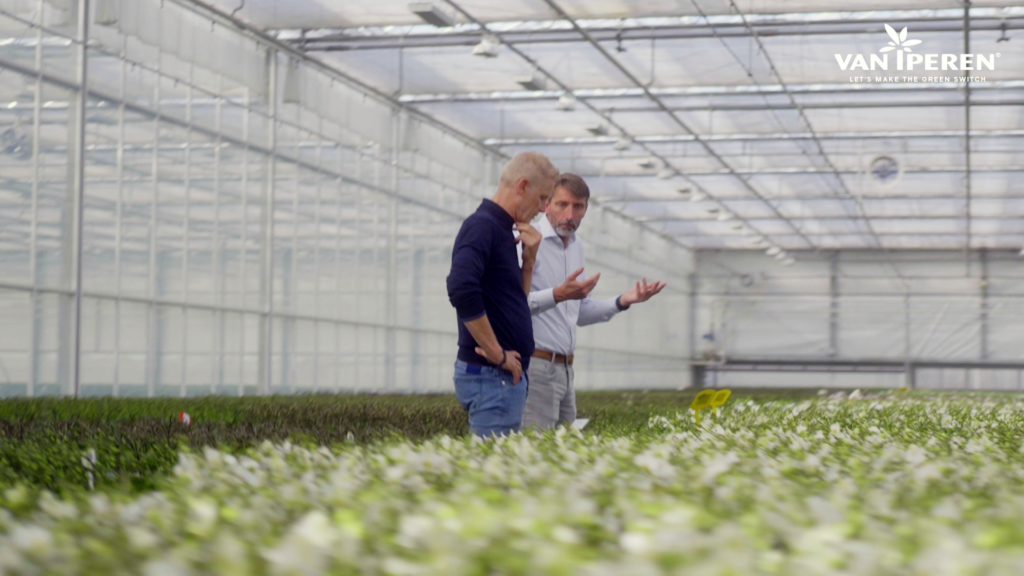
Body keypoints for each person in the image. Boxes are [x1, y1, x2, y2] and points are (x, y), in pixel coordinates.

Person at [523, 173, 667, 430]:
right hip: (536, 366)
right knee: (535, 451)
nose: (570, 215)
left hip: (566, 369)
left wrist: (623, 301)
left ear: (586, 209)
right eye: (562, 205)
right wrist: (558, 294)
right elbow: (514, 304)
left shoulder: (576, 247)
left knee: (564, 452)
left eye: (578, 207)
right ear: (547, 205)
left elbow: (579, 313)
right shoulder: (528, 241)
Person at [446, 152, 557, 437]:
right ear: (521, 186)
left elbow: (510, 305)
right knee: (492, 475)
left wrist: (528, 264)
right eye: (544, 198)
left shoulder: (504, 230)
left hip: (500, 379)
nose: (545, 209)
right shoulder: (483, 226)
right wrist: (496, 354)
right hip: (492, 378)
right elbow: (460, 286)